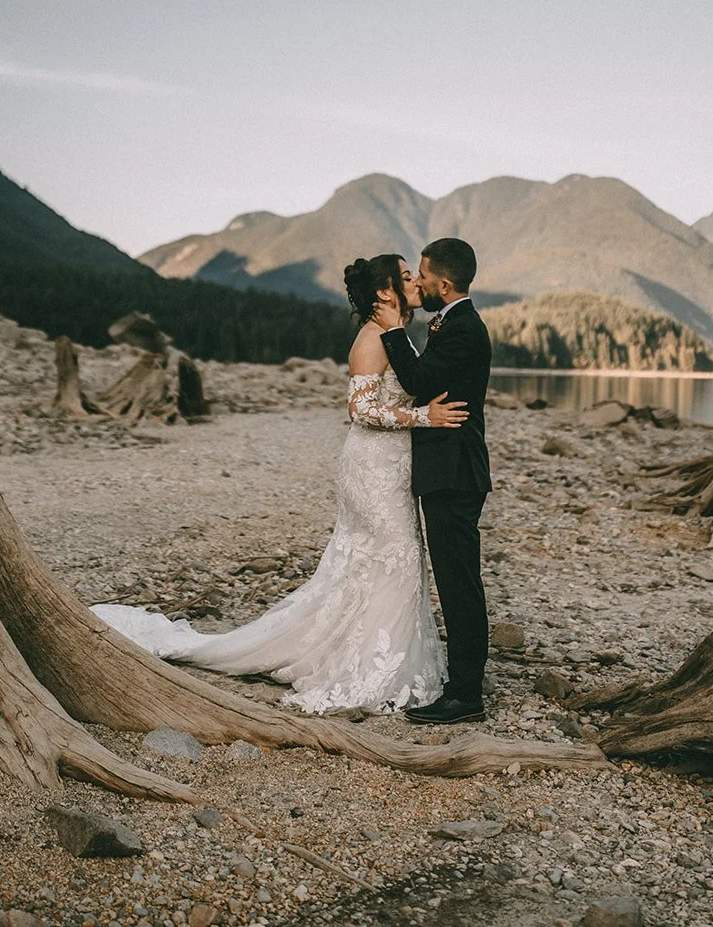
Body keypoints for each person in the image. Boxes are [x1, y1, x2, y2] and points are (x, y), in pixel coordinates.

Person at [91, 254, 468, 714]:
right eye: (406, 277)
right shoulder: (371, 339)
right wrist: (422, 417)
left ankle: (384, 658)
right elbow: (360, 409)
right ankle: (369, 667)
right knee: (391, 556)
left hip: (393, 465)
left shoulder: (396, 335)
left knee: (391, 561)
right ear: (386, 292)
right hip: (371, 468)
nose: (414, 283)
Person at [371, 237, 492, 724]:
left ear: (445, 284)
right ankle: (462, 681)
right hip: (447, 470)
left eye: (422, 274)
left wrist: (392, 331)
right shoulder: (451, 321)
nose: (416, 281)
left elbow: (421, 380)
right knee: (454, 576)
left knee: (459, 581)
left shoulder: (464, 330)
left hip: (455, 472)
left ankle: (466, 695)